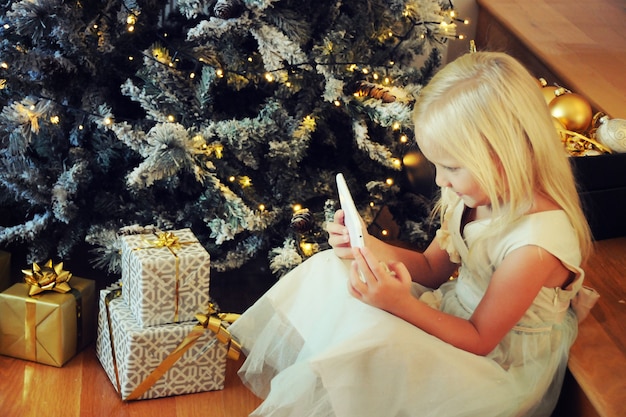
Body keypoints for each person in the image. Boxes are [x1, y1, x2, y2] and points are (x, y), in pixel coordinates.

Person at [229, 51, 597, 417]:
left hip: (495, 360)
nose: (440, 181)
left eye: (451, 166)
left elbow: (481, 339)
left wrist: (400, 305)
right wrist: (367, 246)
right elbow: (431, 267)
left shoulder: (533, 246)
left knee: (381, 343)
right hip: (455, 316)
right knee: (331, 269)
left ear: (506, 153)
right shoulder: (473, 193)